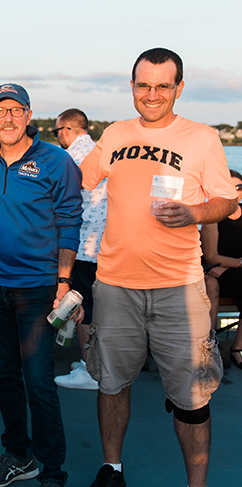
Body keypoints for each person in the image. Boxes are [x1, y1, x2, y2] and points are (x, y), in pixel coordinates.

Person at [79, 47, 236, 487]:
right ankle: (112, 470)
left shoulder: (202, 138)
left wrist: (194, 214)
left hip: (179, 289)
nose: (152, 94)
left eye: (162, 85)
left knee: (192, 396)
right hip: (114, 285)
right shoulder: (113, 135)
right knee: (111, 384)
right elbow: (77, 181)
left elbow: (226, 201)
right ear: (132, 87)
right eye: (143, 85)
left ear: (178, 88)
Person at [0, 83, 83, 487]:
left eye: (17, 110)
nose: (8, 118)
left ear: (29, 115)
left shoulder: (55, 160)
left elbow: (70, 221)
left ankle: (52, 470)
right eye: (1, 111)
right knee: (5, 376)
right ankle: (19, 455)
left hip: (37, 288)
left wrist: (65, 281)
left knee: (38, 379)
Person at [52, 109, 104, 391]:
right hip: (107, 245)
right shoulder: (101, 152)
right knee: (101, 308)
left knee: (83, 309)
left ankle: (90, 370)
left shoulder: (69, 158)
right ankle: (96, 364)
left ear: (66, 130)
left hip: (84, 244)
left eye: (56, 131)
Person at [201, 169, 242, 369]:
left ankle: (237, 348)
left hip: (231, 271)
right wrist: (231, 265)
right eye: (230, 187)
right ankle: (210, 345)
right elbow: (211, 257)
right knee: (211, 284)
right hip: (212, 271)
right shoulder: (214, 216)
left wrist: (229, 267)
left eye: (239, 187)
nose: (235, 192)